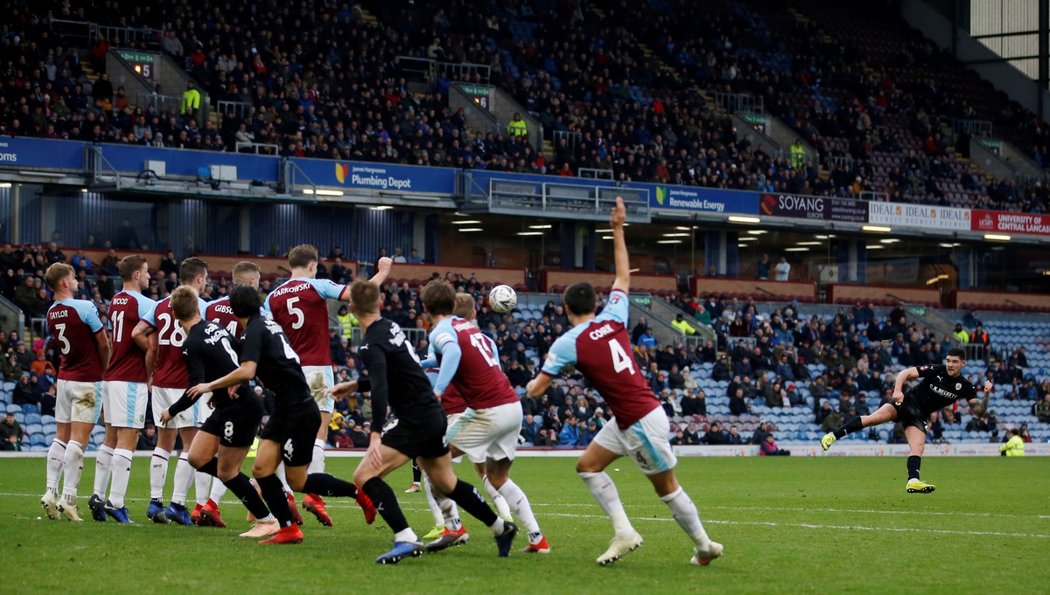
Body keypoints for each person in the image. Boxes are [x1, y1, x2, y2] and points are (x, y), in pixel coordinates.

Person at [525, 197, 722, 567]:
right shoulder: (613, 315)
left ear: (566, 309)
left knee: (666, 488)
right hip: (632, 415)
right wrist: (617, 228)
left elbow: (536, 390)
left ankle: (704, 545)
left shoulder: (569, 343)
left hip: (639, 421)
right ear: (594, 304)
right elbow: (623, 276)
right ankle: (624, 532)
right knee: (587, 465)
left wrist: (535, 383)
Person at [328, 279, 518, 564]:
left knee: (364, 476)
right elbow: (403, 372)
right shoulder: (392, 327)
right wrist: (357, 386)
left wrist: (376, 433)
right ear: (380, 303)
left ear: (352, 308)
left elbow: (382, 387)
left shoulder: (371, 343)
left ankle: (405, 537)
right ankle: (501, 528)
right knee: (446, 481)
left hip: (415, 419)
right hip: (432, 414)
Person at [185, 286, 376, 545]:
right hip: (286, 408)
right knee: (263, 469)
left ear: (234, 309)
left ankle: (358, 493)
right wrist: (235, 380)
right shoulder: (266, 325)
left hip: (297, 409)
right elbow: (250, 365)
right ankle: (287, 528)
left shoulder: (253, 330)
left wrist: (210, 385)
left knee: (298, 481)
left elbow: (248, 370)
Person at [263, 244, 391, 526]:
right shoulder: (317, 285)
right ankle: (313, 496)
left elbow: (266, 334)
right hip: (317, 368)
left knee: (284, 435)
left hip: (287, 372)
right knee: (319, 431)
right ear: (313, 265)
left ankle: (284, 494)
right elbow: (359, 295)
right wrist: (382, 273)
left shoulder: (271, 297)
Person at [420, 283, 549, 554]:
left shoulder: (445, 330)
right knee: (498, 477)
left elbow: (451, 355)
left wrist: (439, 390)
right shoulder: (477, 334)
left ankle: (453, 526)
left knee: (430, 460)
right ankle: (538, 539)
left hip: (486, 410)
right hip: (512, 406)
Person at [158, 286, 288, 538]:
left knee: (226, 472)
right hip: (226, 405)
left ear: (176, 318)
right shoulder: (217, 328)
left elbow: (195, 388)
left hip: (241, 407)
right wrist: (226, 386)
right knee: (196, 457)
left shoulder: (191, 344)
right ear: (198, 308)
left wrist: (171, 411)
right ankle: (247, 484)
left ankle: (267, 520)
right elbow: (241, 357)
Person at [205, 261, 304, 525]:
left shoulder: (211, 308)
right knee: (250, 453)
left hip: (222, 384)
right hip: (247, 387)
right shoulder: (260, 317)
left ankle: (207, 502)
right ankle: (281, 497)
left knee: (218, 452)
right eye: (258, 282)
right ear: (251, 284)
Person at [821, 347, 992, 493]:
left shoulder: (965, 387)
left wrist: (986, 395)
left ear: (963, 363)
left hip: (919, 416)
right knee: (873, 419)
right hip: (906, 403)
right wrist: (897, 390)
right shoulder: (936, 370)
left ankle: (913, 481)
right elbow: (906, 373)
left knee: (918, 447)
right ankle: (832, 436)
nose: (950, 364)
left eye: (954, 362)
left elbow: (978, 412)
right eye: (948, 360)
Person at [133, 257, 224, 526]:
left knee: (163, 443)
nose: (206, 283)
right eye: (205, 279)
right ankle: (177, 504)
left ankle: (154, 501)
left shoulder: (161, 305)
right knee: (191, 444)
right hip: (188, 384)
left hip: (160, 380)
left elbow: (138, 332)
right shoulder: (202, 307)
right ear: (198, 279)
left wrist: (154, 358)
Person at [39, 263, 111, 522]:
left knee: (60, 436)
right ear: (64, 283)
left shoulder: (50, 313)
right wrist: (104, 370)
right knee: (78, 441)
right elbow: (103, 342)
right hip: (87, 380)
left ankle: (49, 491)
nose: (77, 280)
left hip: (65, 379)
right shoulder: (84, 307)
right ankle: (68, 499)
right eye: (73, 277)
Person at [93, 255, 156, 524]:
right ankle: (116, 503)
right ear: (136, 276)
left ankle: (97, 496)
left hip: (111, 376)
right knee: (128, 439)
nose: (150, 276)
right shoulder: (145, 303)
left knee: (111, 437)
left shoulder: (115, 300)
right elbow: (148, 340)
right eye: (146, 272)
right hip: (130, 378)